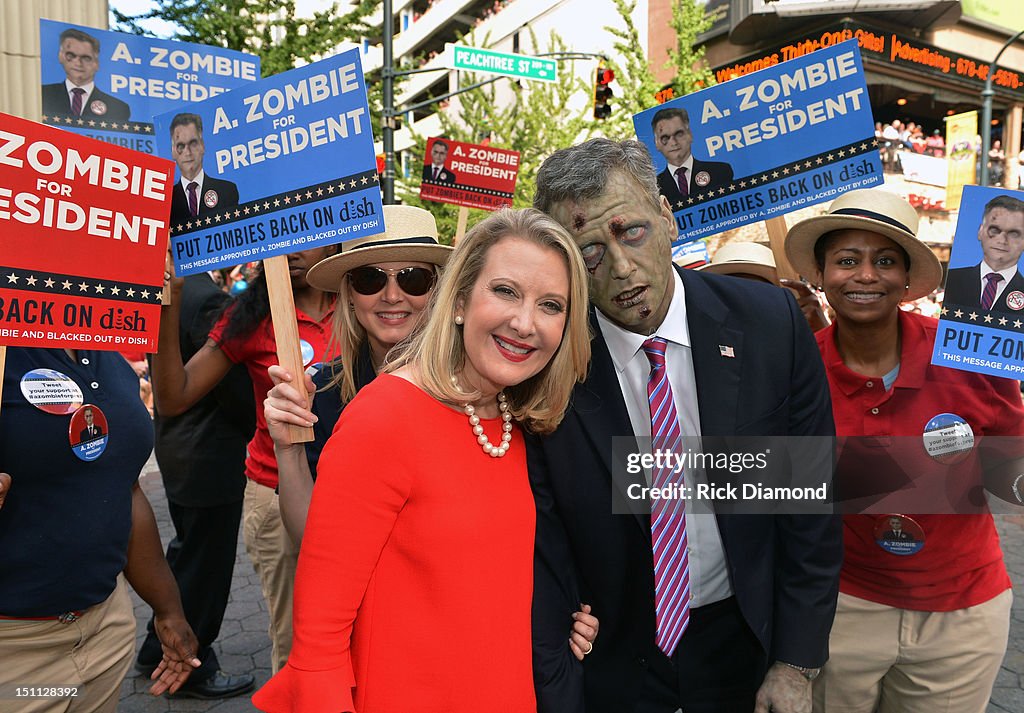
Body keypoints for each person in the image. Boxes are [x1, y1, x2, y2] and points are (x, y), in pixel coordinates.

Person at [530, 138, 841, 713]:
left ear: (667, 216)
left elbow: (808, 508)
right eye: (590, 251)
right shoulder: (545, 365)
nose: (621, 267)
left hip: (744, 640)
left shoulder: (769, 326)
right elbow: (542, 545)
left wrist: (796, 662)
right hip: (607, 659)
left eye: (631, 232)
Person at [252, 208, 595, 712]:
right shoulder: (385, 416)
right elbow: (320, 637)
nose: (525, 323)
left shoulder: (514, 415)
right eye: (505, 291)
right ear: (457, 301)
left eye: (550, 304)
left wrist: (567, 606)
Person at [784, 187, 1021, 712]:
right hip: (839, 609)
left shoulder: (970, 353)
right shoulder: (795, 369)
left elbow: (1013, 471)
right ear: (820, 276)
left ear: (908, 279)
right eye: (847, 260)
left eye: (885, 261)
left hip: (961, 619)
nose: (866, 275)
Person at [151, 246, 337, 673]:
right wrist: (168, 302)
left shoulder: (363, 303)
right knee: (297, 643)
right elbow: (174, 396)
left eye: (306, 231)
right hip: (275, 496)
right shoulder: (251, 317)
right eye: (280, 234)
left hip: (356, 497)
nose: (293, 248)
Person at [0, 347, 202, 711]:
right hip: (14, 655)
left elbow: (125, 485)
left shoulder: (103, 347)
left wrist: (167, 609)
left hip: (105, 632)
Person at [264, 205, 453, 542]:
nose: (393, 296)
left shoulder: (471, 383)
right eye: (371, 279)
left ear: (436, 290)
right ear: (350, 294)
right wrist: (288, 449)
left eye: (414, 279)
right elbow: (308, 537)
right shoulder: (321, 392)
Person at [134, 272, 257, 699]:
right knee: (206, 565)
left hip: (178, 448)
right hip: (209, 452)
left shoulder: (183, 294)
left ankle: (157, 646)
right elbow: (234, 387)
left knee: (188, 554)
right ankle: (193, 665)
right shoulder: (208, 301)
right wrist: (255, 426)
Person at [699, 240, 829, 331]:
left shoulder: (795, 343)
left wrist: (820, 331)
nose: (744, 302)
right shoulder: (707, 346)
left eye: (757, 292)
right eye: (732, 292)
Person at [943, 195, 1024, 312]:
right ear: (980, 232)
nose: (1002, 240)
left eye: (1014, 233)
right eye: (994, 230)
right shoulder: (952, 280)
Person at [650, 107, 734, 209]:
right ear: (656, 143)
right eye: (665, 138)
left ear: (690, 135)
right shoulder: (653, 189)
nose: (673, 142)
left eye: (679, 134)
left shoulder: (720, 172)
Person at [42, 28, 130, 123]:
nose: (78, 63)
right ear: (61, 56)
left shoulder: (118, 108)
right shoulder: (43, 94)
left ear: (97, 63)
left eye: (86, 58)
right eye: (71, 55)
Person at [168, 113, 240, 228]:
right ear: (173, 152)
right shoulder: (166, 200)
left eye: (193, 143)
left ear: (202, 146)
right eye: (181, 145)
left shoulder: (227, 191)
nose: (188, 152)